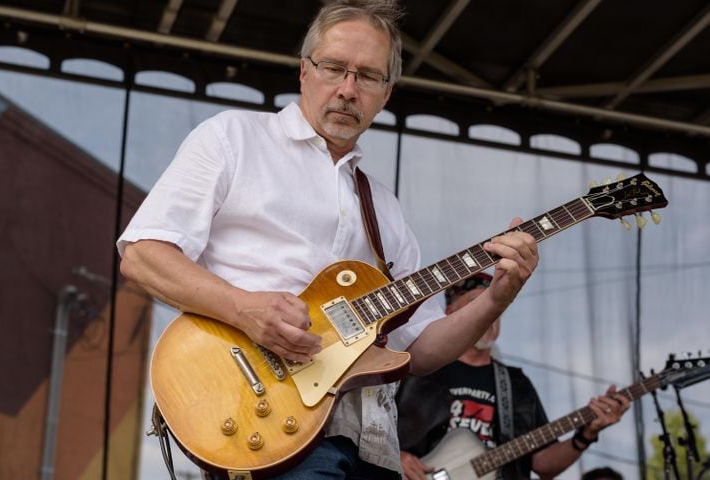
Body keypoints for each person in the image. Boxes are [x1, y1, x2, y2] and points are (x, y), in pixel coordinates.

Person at [117, 0, 539, 478]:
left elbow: (417, 349)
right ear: (304, 72)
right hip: (265, 422)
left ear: (386, 95)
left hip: (371, 446)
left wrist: (497, 299)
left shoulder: (384, 209)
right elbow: (143, 255)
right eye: (334, 68)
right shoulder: (233, 138)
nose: (348, 89)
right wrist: (244, 308)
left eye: (368, 77)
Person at [396, 272, 631, 480]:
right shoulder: (417, 367)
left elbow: (543, 464)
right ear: (449, 313)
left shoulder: (516, 383)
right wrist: (396, 455)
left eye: (494, 308)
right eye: (475, 304)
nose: (488, 316)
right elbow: (371, 426)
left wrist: (586, 434)